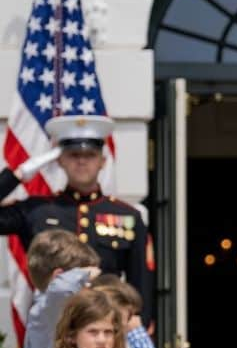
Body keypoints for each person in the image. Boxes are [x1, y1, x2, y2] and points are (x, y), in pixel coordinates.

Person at [0, 114, 154, 322]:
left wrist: (138, 324)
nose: (81, 161)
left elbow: (140, 281)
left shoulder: (127, 216)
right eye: (73, 155)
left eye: (90, 155)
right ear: (60, 160)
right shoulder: (37, 210)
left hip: (105, 328)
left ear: (102, 161)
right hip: (52, 324)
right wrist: (19, 174)